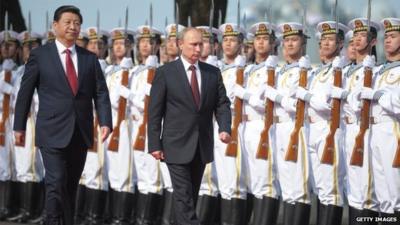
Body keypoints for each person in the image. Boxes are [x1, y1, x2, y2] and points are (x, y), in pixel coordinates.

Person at [13, 5, 112, 225]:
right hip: (52, 130)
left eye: (77, 23)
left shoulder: (89, 58)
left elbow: (101, 91)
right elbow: (25, 92)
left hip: (80, 131)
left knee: (69, 187)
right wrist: (18, 126)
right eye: (67, 22)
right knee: (55, 182)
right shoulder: (40, 55)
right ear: (55, 25)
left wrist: (105, 121)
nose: (73, 27)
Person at [148, 27, 231, 225]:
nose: (198, 48)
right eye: (193, 44)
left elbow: (222, 103)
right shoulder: (165, 73)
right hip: (174, 144)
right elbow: (154, 112)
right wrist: (154, 143)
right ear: (180, 44)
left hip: (201, 144)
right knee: (183, 195)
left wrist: (224, 127)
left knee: (189, 197)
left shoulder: (212, 73)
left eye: (200, 44)